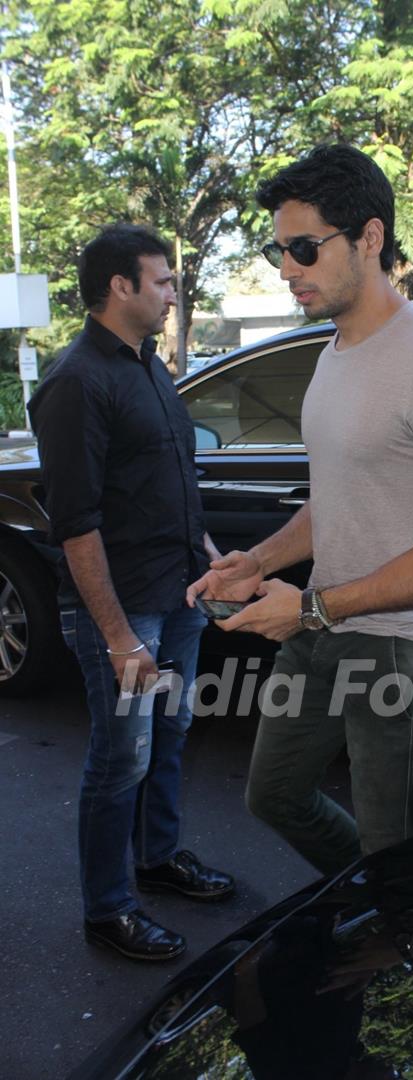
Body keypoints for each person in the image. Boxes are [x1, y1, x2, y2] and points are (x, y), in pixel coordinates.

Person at [188, 144, 413, 874]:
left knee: (390, 841)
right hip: (323, 618)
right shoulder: (332, 353)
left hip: (399, 642)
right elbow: (337, 500)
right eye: (279, 251)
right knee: (274, 796)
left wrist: (309, 609)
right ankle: (365, 905)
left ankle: (397, 947)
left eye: (303, 248)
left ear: (369, 238)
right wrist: (259, 562)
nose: (287, 268)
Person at [29, 224, 234, 962]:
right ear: (120, 287)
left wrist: (213, 561)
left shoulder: (150, 367)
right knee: (122, 760)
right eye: (163, 280)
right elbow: (77, 527)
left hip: (177, 597)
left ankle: (157, 859)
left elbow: (169, 486)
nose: (174, 292)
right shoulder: (76, 382)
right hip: (126, 611)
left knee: (169, 739)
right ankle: (107, 909)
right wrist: (120, 640)